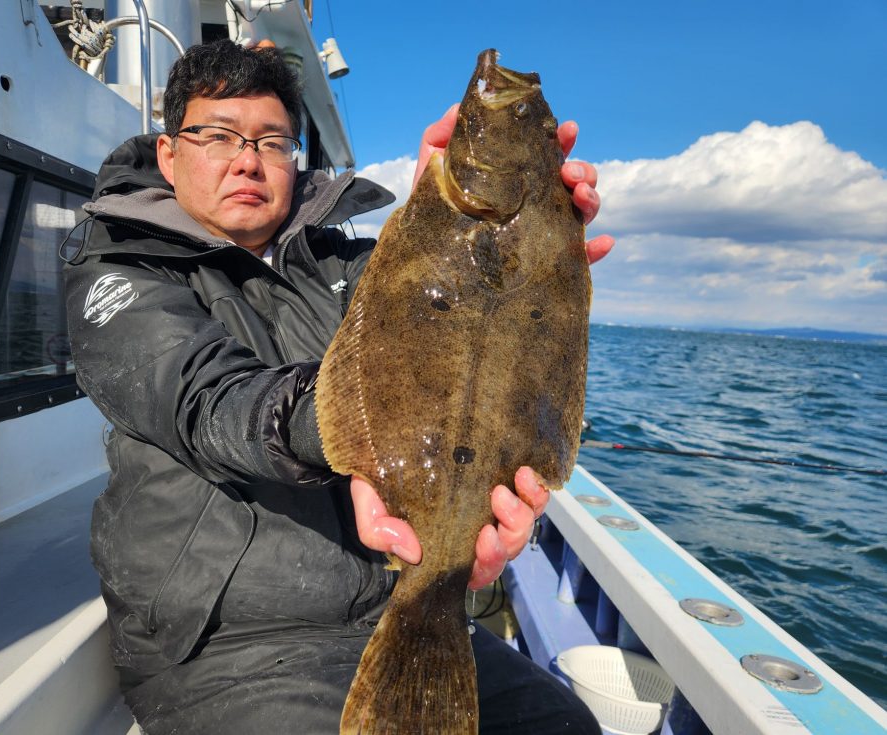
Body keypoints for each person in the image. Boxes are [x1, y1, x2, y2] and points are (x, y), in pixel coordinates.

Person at [65, 39, 613, 734]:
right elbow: (208, 399)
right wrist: (347, 427)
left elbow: (464, 333)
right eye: (218, 135)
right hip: (231, 644)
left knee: (564, 725)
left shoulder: (357, 268)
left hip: (394, 600)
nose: (247, 158)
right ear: (169, 154)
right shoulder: (116, 269)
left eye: (271, 140)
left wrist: (466, 234)